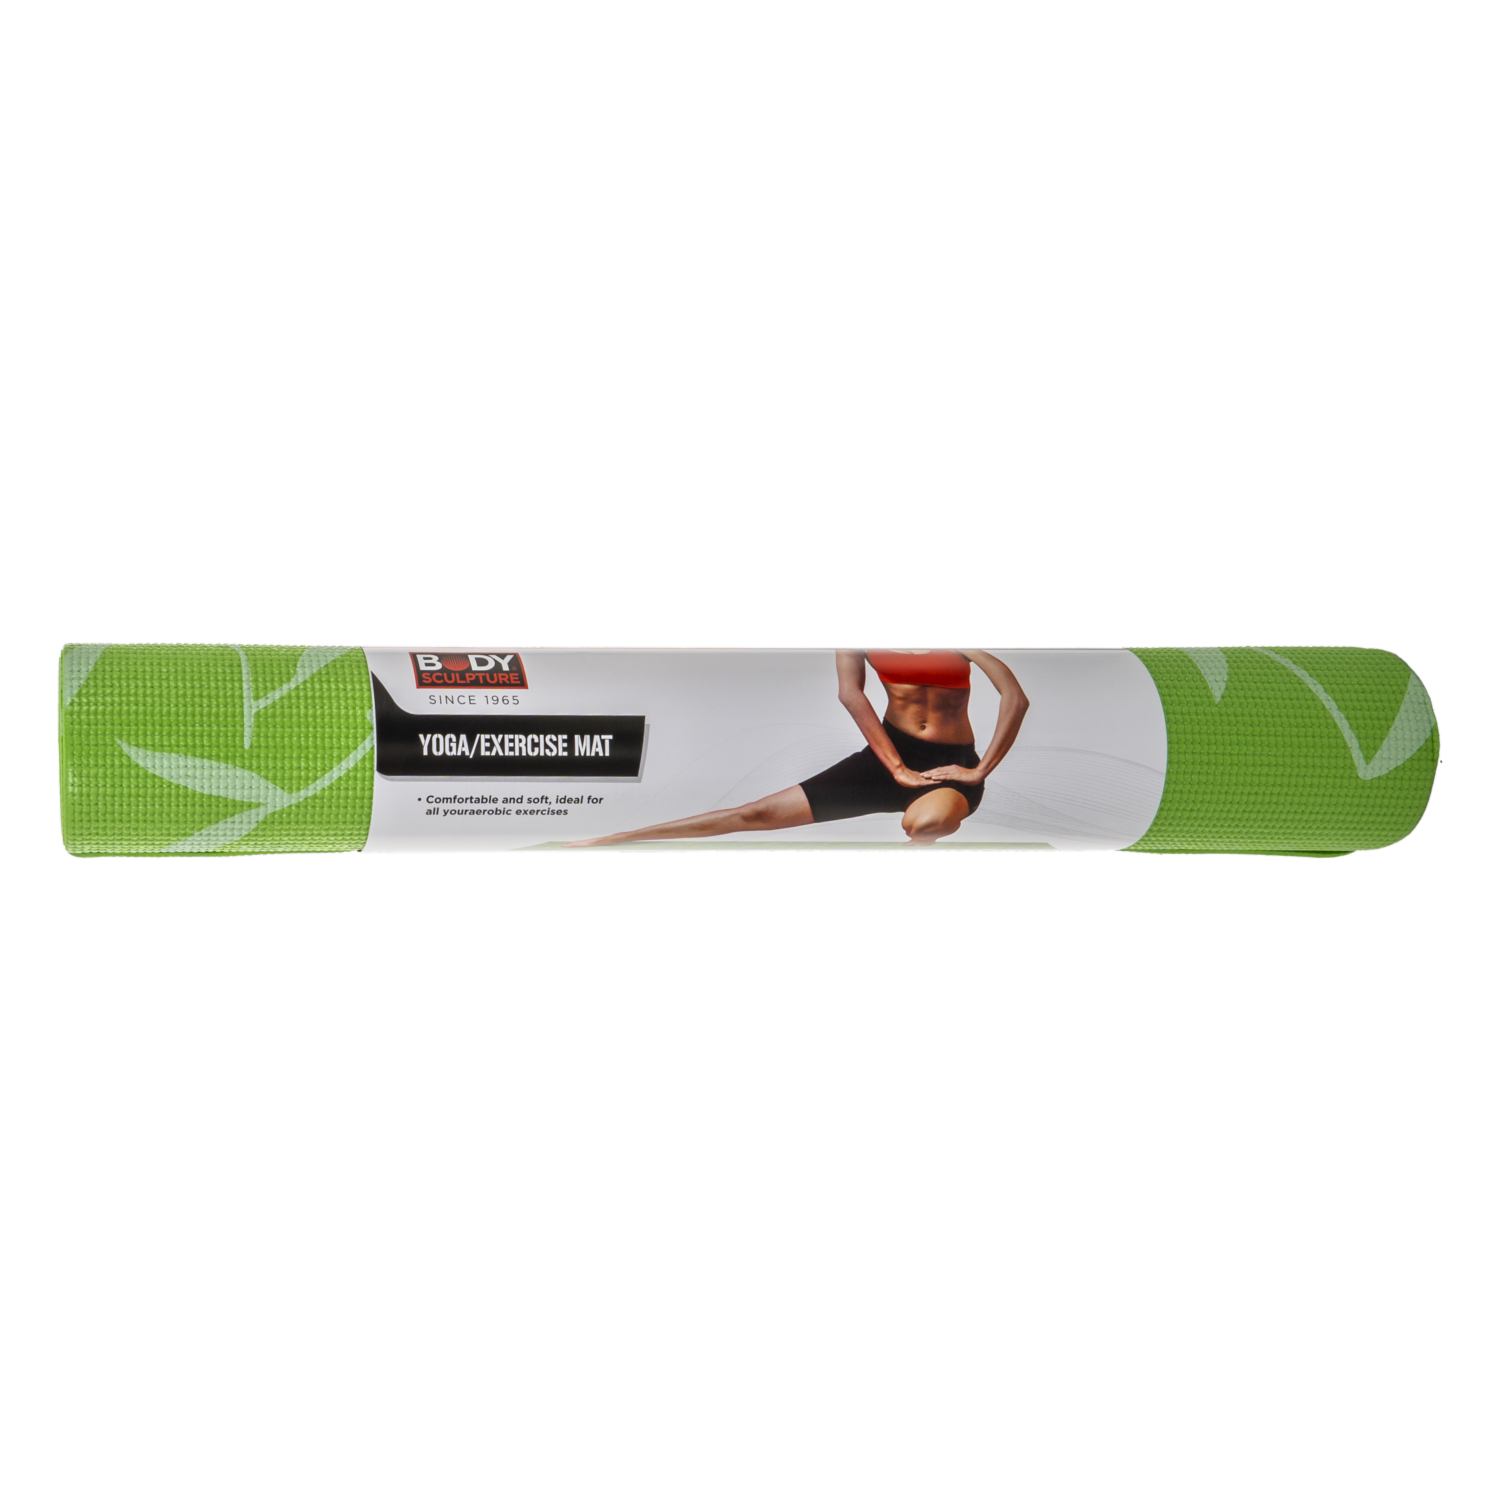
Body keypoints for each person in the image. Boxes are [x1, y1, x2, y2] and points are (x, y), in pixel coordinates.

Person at [568, 648, 1029, 847]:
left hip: (948, 768)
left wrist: (978, 770)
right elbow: (851, 695)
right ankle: (614, 840)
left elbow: (1015, 696)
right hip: (888, 757)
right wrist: (894, 767)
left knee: (924, 825)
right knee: (755, 815)